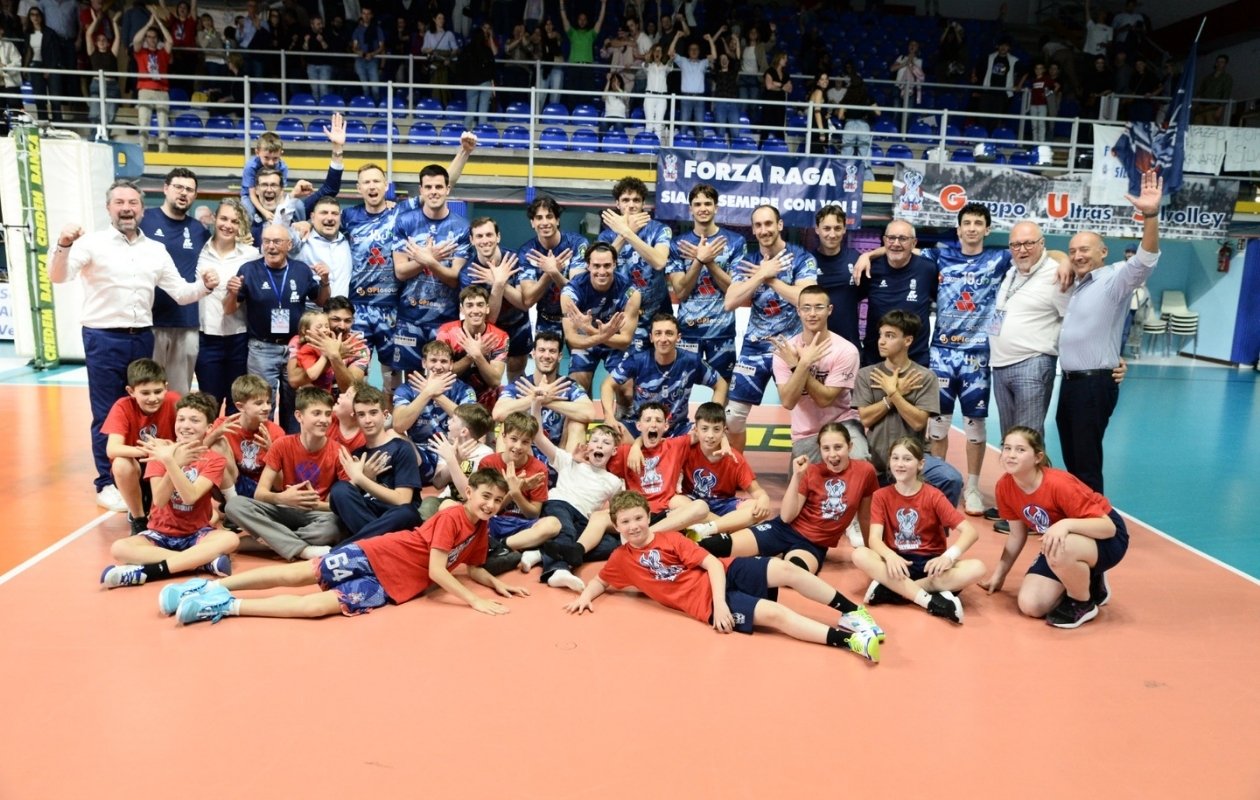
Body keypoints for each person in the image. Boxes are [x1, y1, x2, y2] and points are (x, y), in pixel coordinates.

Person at [50, 180, 219, 513]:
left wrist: (205, 287)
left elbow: (181, 292)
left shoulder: (154, 249)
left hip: (142, 335)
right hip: (102, 336)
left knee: (144, 409)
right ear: (108, 208)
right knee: (106, 412)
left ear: (142, 209)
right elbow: (59, 276)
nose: (126, 208)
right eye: (119, 202)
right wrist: (64, 244)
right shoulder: (91, 243)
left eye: (133, 203)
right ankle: (106, 482)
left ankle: (140, 476)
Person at [169, 469, 528, 624]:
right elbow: (437, 570)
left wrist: (497, 585)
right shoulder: (452, 517)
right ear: (469, 492)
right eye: (485, 496)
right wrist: (474, 601)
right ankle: (207, 587)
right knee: (299, 575)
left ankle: (226, 606)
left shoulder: (481, 527)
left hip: (392, 586)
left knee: (315, 607)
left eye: (498, 500)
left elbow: (472, 566)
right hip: (376, 554)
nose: (491, 504)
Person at [563, 491, 882, 662]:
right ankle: (853, 641)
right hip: (703, 603)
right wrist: (585, 596)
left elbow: (713, 565)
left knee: (786, 569)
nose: (633, 526)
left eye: (638, 518)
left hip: (724, 577)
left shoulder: (671, 539)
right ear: (616, 526)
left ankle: (853, 612)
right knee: (775, 614)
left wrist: (722, 605)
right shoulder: (621, 558)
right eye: (625, 522)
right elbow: (602, 580)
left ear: (648, 517)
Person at [1056, 169, 1161, 493]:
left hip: (1094, 384)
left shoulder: (1115, 280)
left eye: (1085, 250)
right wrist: (1062, 259)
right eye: (1073, 251)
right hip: (1071, 384)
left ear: (1103, 252)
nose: (1078, 255)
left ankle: (1097, 518)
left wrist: (1151, 216)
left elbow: (1145, 260)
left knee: (1086, 462)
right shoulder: (1079, 285)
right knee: (1073, 459)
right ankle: (1080, 511)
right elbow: (1051, 254)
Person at [981, 426, 1127, 629]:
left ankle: (1082, 602)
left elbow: (1108, 528)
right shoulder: (1004, 486)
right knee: (1031, 605)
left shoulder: (1059, 484)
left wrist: (1065, 524)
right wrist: (1000, 574)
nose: (1011, 455)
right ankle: (1087, 576)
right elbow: (1016, 535)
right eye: (1007, 448)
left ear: (1038, 457)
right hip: (1063, 542)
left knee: (1060, 548)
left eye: (1020, 450)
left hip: (1106, 538)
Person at [698, 422, 879, 578]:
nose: (832, 455)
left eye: (838, 447)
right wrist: (797, 477)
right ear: (820, 450)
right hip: (782, 530)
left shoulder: (865, 472)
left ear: (850, 446)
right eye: (826, 448)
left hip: (812, 545)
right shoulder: (811, 471)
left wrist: (872, 552)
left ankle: (769, 557)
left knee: (793, 572)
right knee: (717, 546)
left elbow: (865, 516)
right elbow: (786, 516)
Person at [100, 391, 239, 588]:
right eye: (181, 419)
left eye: (194, 420)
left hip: (197, 534)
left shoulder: (214, 460)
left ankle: (148, 572)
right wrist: (169, 459)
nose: (186, 425)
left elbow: (190, 497)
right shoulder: (160, 453)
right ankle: (201, 562)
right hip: (160, 534)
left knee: (231, 539)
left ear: (209, 427)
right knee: (119, 548)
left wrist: (172, 463)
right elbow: (159, 500)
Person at [853, 437, 984, 624]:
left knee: (978, 568)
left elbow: (970, 532)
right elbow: (874, 539)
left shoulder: (933, 495)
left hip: (931, 567)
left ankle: (894, 591)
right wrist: (890, 556)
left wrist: (948, 557)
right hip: (898, 565)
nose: (900, 464)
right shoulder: (881, 496)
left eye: (907, 459)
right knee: (860, 554)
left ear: (920, 464)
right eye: (895, 458)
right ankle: (929, 600)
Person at [223, 386, 360, 561]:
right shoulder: (282, 444)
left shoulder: (339, 452)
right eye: (316, 413)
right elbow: (260, 493)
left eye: (327, 414)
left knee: (333, 528)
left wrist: (314, 504)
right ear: (299, 416)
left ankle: (269, 541)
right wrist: (283, 498)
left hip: (317, 515)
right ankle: (301, 549)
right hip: (283, 509)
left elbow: (343, 506)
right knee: (234, 505)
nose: (324, 420)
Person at [723, 204, 819, 452]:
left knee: (805, 413)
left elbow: (805, 299)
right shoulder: (748, 262)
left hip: (791, 348)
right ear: (753, 230)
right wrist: (760, 274)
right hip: (754, 347)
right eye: (758, 225)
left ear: (779, 225)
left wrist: (771, 278)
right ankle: (737, 469)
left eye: (768, 224)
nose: (764, 230)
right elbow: (730, 302)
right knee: (733, 416)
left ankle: (804, 468)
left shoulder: (802, 258)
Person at [225, 222, 330, 431]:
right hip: (261, 348)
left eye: (277, 241)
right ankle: (263, 445)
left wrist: (325, 281)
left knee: (296, 403)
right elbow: (229, 309)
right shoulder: (249, 269)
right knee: (261, 402)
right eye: (266, 241)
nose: (271, 246)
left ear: (289, 245)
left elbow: (321, 301)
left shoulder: (301, 269)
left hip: (296, 348)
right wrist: (232, 292)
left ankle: (292, 444)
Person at [853, 310, 964, 505]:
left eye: (890, 336)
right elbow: (866, 418)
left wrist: (894, 393)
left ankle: (935, 526)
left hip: (913, 461)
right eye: (881, 335)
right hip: (877, 462)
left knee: (951, 479)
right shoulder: (866, 374)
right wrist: (892, 396)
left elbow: (918, 422)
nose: (881, 341)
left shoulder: (925, 377)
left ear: (908, 340)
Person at [515, 418, 625, 591]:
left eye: (606, 443)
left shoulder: (614, 481)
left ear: (614, 450)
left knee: (610, 544)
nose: (599, 445)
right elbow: (538, 436)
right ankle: (558, 570)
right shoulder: (568, 461)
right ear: (588, 445)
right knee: (567, 531)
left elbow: (615, 513)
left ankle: (541, 553)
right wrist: (536, 405)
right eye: (595, 441)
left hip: (583, 519)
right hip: (559, 505)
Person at [771, 284, 866, 462]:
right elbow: (788, 402)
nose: (812, 313)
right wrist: (803, 364)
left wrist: (798, 366)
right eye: (806, 308)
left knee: (859, 463)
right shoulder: (785, 351)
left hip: (842, 425)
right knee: (801, 478)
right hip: (805, 433)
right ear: (798, 311)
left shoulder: (846, 350)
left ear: (829, 310)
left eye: (819, 307)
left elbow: (824, 399)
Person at [392, 163, 471, 373]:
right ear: (421, 190)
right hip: (409, 316)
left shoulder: (462, 227)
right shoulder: (405, 222)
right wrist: (429, 259)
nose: (433, 191)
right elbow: (400, 272)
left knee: (444, 375)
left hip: (445, 319)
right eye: (428, 187)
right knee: (412, 378)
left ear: (447, 189)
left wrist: (428, 261)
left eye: (438, 186)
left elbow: (454, 278)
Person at [603, 312, 727, 439]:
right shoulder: (637, 360)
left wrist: (711, 418)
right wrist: (609, 416)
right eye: (658, 333)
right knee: (611, 436)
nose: (663, 339)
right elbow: (608, 385)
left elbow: (721, 385)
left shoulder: (691, 361)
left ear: (678, 337)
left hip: (678, 429)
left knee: (708, 437)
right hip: (640, 427)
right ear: (651, 337)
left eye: (669, 333)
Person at [142, 168, 210, 397]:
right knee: (148, 390)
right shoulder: (145, 220)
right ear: (165, 188)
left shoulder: (198, 230)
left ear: (195, 195)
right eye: (178, 187)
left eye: (189, 190)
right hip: (149, 321)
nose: (183, 193)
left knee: (179, 395)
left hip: (186, 322)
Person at [667, 184, 745, 381]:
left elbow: (734, 291)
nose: (703, 208)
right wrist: (698, 260)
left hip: (722, 331)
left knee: (723, 386)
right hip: (688, 331)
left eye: (708, 204)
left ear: (716, 207)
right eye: (698, 204)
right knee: (679, 387)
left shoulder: (735, 242)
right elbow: (681, 292)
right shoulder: (678, 244)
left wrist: (709, 261)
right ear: (690, 209)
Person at [329, 384, 422, 545]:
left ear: (385, 415)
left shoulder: (401, 447)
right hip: (367, 513)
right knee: (339, 489)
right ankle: (377, 544)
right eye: (361, 415)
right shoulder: (357, 454)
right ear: (355, 418)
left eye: (373, 413)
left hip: (395, 515)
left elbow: (402, 500)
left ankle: (345, 548)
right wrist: (358, 482)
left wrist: (361, 479)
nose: (368, 420)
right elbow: (336, 501)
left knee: (407, 513)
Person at [102, 358, 180, 533]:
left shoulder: (174, 401)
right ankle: (138, 519)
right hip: (137, 472)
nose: (153, 398)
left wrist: (169, 449)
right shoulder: (122, 407)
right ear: (131, 391)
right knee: (121, 463)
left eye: (158, 391)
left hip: (165, 470)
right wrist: (151, 450)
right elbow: (112, 449)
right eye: (145, 393)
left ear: (166, 387)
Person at [195, 199, 258, 415]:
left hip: (238, 337)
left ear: (241, 225)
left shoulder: (251, 255)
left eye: (234, 221)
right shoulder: (199, 252)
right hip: (206, 338)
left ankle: (233, 439)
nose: (228, 225)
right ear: (214, 219)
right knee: (209, 402)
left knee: (237, 402)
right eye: (224, 218)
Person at [672, 402, 772, 538]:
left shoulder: (734, 458)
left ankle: (707, 528)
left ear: (724, 431)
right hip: (693, 502)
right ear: (696, 429)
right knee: (676, 501)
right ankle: (725, 527)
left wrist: (764, 498)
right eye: (705, 429)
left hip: (723, 505)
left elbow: (757, 491)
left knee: (757, 507)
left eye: (716, 429)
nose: (710, 435)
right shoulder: (686, 449)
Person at [598, 177, 673, 354]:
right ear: (617, 204)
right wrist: (624, 234)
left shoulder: (660, 230)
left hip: (658, 313)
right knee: (624, 369)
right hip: (622, 315)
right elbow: (601, 264)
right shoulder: (606, 236)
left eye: (636, 200)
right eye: (625, 200)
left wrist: (627, 232)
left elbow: (659, 262)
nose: (631, 205)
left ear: (643, 204)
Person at [493, 331, 593, 464]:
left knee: (577, 423)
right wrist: (534, 398)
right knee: (505, 426)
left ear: (559, 356)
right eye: (542, 350)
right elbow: (498, 413)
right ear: (533, 353)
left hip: (559, 454)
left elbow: (589, 413)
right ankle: (507, 473)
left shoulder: (568, 386)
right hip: (524, 453)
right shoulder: (520, 385)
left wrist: (547, 401)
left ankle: (571, 473)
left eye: (552, 351)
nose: (546, 356)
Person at [560, 241, 641, 395]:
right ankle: (584, 410)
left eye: (607, 265)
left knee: (626, 388)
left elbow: (625, 341)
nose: (602, 271)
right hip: (586, 342)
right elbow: (572, 339)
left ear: (615, 264)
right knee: (578, 385)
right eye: (596, 266)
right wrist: (599, 335)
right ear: (588, 266)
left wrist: (590, 329)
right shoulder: (571, 293)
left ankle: (622, 411)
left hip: (613, 343)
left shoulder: (630, 292)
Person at [858, 220, 937, 367]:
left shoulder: (928, 269)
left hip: (915, 360)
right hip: (875, 359)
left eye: (903, 238)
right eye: (891, 238)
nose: (896, 243)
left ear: (914, 243)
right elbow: (849, 302)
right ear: (884, 240)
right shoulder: (870, 268)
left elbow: (942, 301)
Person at [392, 340, 477, 472]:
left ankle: (464, 482)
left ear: (451, 364)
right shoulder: (407, 389)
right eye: (433, 360)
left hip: (455, 449)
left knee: (480, 446)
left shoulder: (464, 390)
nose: (438, 366)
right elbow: (398, 425)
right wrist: (427, 393)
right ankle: (408, 483)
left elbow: (472, 423)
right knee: (392, 435)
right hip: (420, 452)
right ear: (424, 363)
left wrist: (436, 394)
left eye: (443, 361)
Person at [464, 216, 530, 382]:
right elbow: (489, 319)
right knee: (488, 377)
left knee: (517, 372)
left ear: (498, 237)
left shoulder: (516, 260)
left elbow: (524, 304)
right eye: (479, 236)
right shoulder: (468, 273)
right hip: (488, 329)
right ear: (472, 240)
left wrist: (499, 282)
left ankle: (515, 399)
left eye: (489, 235)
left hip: (518, 324)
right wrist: (499, 283)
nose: (485, 240)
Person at [518, 195, 590, 340]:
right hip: (546, 320)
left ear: (557, 220)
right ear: (532, 223)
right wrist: (548, 273)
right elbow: (528, 300)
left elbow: (579, 293)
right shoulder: (527, 252)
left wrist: (554, 272)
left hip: (576, 317)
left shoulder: (577, 244)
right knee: (544, 355)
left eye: (549, 216)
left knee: (580, 355)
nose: (544, 222)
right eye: (539, 218)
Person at [209, 374, 286, 500]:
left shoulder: (276, 432)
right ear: (240, 406)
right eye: (259, 403)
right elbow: (198, 452)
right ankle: (233, 502)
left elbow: (280, 485)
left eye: (268, 402)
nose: (267, 408)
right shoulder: (224, 424)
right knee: (217, 442)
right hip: (232, 486)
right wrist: (214, 435)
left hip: (262, 491)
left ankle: (237, 506)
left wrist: (271, 451)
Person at [435, 285, 509, 410]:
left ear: (487, 308)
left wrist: (478, 356)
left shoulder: (499, 337)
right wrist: (471, 356)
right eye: (469, 305)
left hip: (485, 398)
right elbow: (442, 374)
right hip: (453, 395)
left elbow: (495, 381)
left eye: (480, 305)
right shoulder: (446, 332)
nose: (475, 310)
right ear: (462, 309)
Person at [810, 206, 865, 352]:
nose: (832, 234)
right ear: (817, 229)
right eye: (826, 228)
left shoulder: (856, 259)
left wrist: (868, 255)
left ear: (844, 229)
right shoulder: (806, 262)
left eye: (837, 228)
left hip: (848, 344)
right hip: (814, 345)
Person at [132, 8, 173, 152]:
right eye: (149, 37)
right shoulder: (141, 52)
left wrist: (159, 23)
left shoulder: (163, 53)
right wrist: (149, 24)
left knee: (163, 124)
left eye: (154, 37)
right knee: (144, 123)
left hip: (162, 90)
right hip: (145, 89)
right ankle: (143, 151)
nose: (152, 39)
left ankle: (163, 152)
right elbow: (136, 40)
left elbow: (170, 41)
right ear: (146, 39)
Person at [668, 27, 718, 138]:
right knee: (683, 127)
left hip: (699, 99)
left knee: (699, 128)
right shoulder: (683, 61)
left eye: (696, 49)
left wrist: (710, 40)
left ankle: (700, 147)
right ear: (688, 51)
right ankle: (683, 147)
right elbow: (670, 53)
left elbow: (714, 56)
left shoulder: (703, 63)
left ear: (699, 51)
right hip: (686, 98)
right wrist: (676, 36)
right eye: (691, 49)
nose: (694, 51)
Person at [83, 8, 122, 132]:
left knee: (110, 115)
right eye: (99, 40)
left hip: (111, 85)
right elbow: (88, 35)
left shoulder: (112, 53)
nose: (101, 42)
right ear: (96, 43)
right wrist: (95, 21)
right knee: (94, 114)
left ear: (108, 43)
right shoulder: (92, 52)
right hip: (96, 84)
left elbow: (118, 37)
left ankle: (106, 137)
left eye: (104, 40)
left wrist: (114, 22)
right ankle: (93, 138)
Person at [240, 131, 289, 221]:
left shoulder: (283, 167)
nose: (271, 163)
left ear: (281, 153)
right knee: (248, 212)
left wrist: (279, 209)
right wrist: (264, 212)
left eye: (275, 158)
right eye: (266, 158)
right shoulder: (251, 167)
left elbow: (281, 191)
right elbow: (252, 194)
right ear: (257, 152)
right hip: (250, 196)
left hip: (273, 195)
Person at [559, 0, 605, 92]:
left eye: (584, 19)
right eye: (580, 19)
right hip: (573, 67)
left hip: (587, 68)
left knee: (587, 95)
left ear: (587, 21)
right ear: (577, 20)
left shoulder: (591, 34)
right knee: (572, 94)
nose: (582, 21)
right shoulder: (572, 33)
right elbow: (564, 19)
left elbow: (600, 20)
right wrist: (561, 3)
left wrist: (604, 4)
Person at [462, 24, 498, 130]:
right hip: (485, 83)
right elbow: (492, 67)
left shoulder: (467, 49)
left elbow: (462, 67)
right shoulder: (487, 50)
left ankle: (463, 134)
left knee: (470, 112)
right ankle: (483, 134)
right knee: (483, 113)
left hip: (471, 83)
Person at [350, 7, 384, 102]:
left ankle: (376, 107)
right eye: (364, 13)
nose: (366, 16)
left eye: (368, 14)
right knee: (365, 89)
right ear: (361, 15)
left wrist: (372, 54)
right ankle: (368, 107)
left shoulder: (377, 29)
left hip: (373, 61)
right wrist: (359, 52)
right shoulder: (357, 30)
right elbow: (354, 47)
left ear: (371, 15)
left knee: (375, 89)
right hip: (360, 61)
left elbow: (381, 47)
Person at [761, 51, 791, 142]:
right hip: (769, 102)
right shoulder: (770, 71)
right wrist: (782, 86)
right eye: (784, 58)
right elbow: (769, 86)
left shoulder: (786, 74)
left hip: (780, 103)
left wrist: (777, 84)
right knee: (766, 125)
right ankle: (761, 145)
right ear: (778, 59)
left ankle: (782, 146)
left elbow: (789, 89)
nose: (786, 60)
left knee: (780, 126)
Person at [1194, 54, 1233, 125]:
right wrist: (1196, 105)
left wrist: (1220, 110)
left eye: (1222, 62)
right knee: (1196, 126)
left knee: (1210, 127)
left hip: (1213, 108)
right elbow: (1200, 91)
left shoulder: (1227, 78)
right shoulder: (1208, 78)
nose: (1219, 64)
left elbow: (1226, 94)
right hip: (1201, 107)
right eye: (1218, 62)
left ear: (1225, 64)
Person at [891, 39, 924, 105]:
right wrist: (905, 63)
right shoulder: (901, 57)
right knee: (896, 108)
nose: (912, 46)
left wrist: (911, 61)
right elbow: (892, 69)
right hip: (898, 86)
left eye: (914, 45)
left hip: (910, 88)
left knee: (908, 109)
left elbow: (917, 74)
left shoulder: (919, 60)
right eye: (911, 44)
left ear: (917, 48)